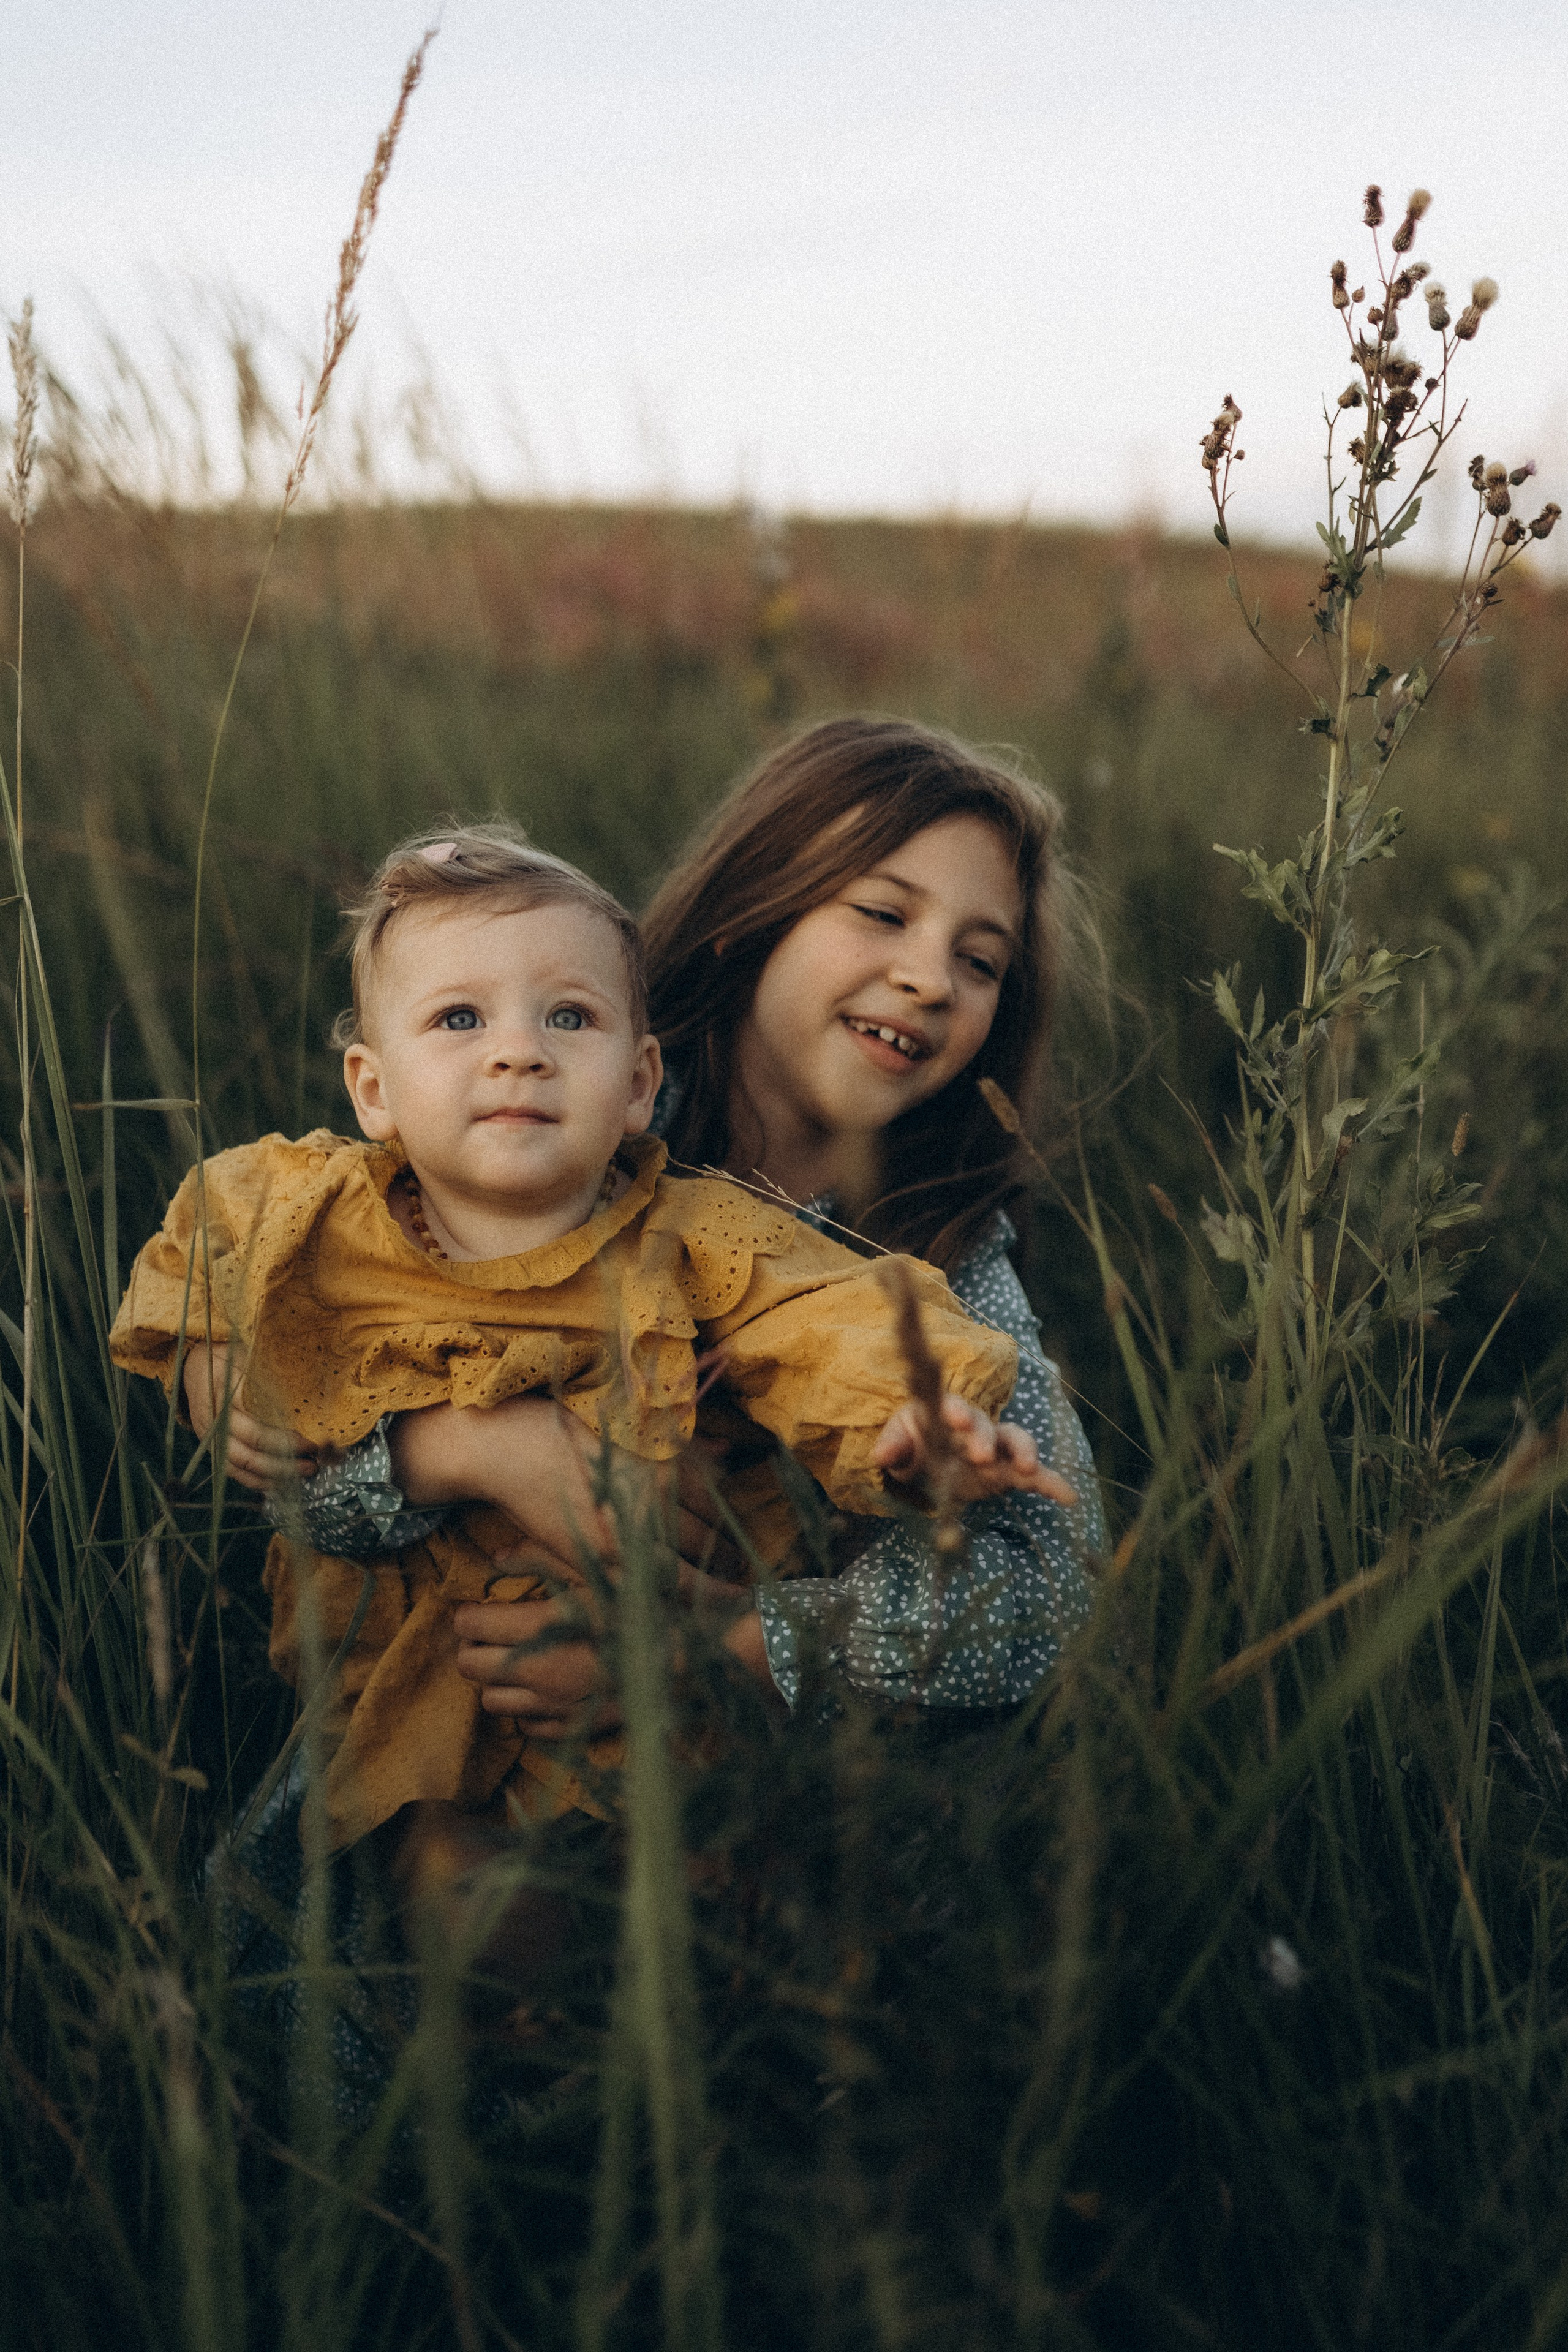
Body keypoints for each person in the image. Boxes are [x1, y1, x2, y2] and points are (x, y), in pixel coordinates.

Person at [111, 823, 1070, 1855]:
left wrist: (918, 1422)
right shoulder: (323, 1208)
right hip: (402, 1681)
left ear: (637, 1083)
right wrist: (246, 1387)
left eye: (980, 960)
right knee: (393, 1884)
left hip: (654, 1704)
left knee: (573, 1893)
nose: (521, 1047)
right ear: (373, 1091)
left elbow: (833, 1327)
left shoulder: (698, 1228)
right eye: (883, 911)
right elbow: (206, 1286)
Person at [320, 717, 1107, 1738]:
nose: (929, 979)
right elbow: (296, 1442)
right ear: (752, 911)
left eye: (981, 961)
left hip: (736, 1787)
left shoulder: (948, 1255)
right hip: (419, 1722)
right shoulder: (559, 1118)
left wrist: (725, 1644)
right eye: (881, 912)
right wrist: (475, 1447)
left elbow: (1057, 1593)